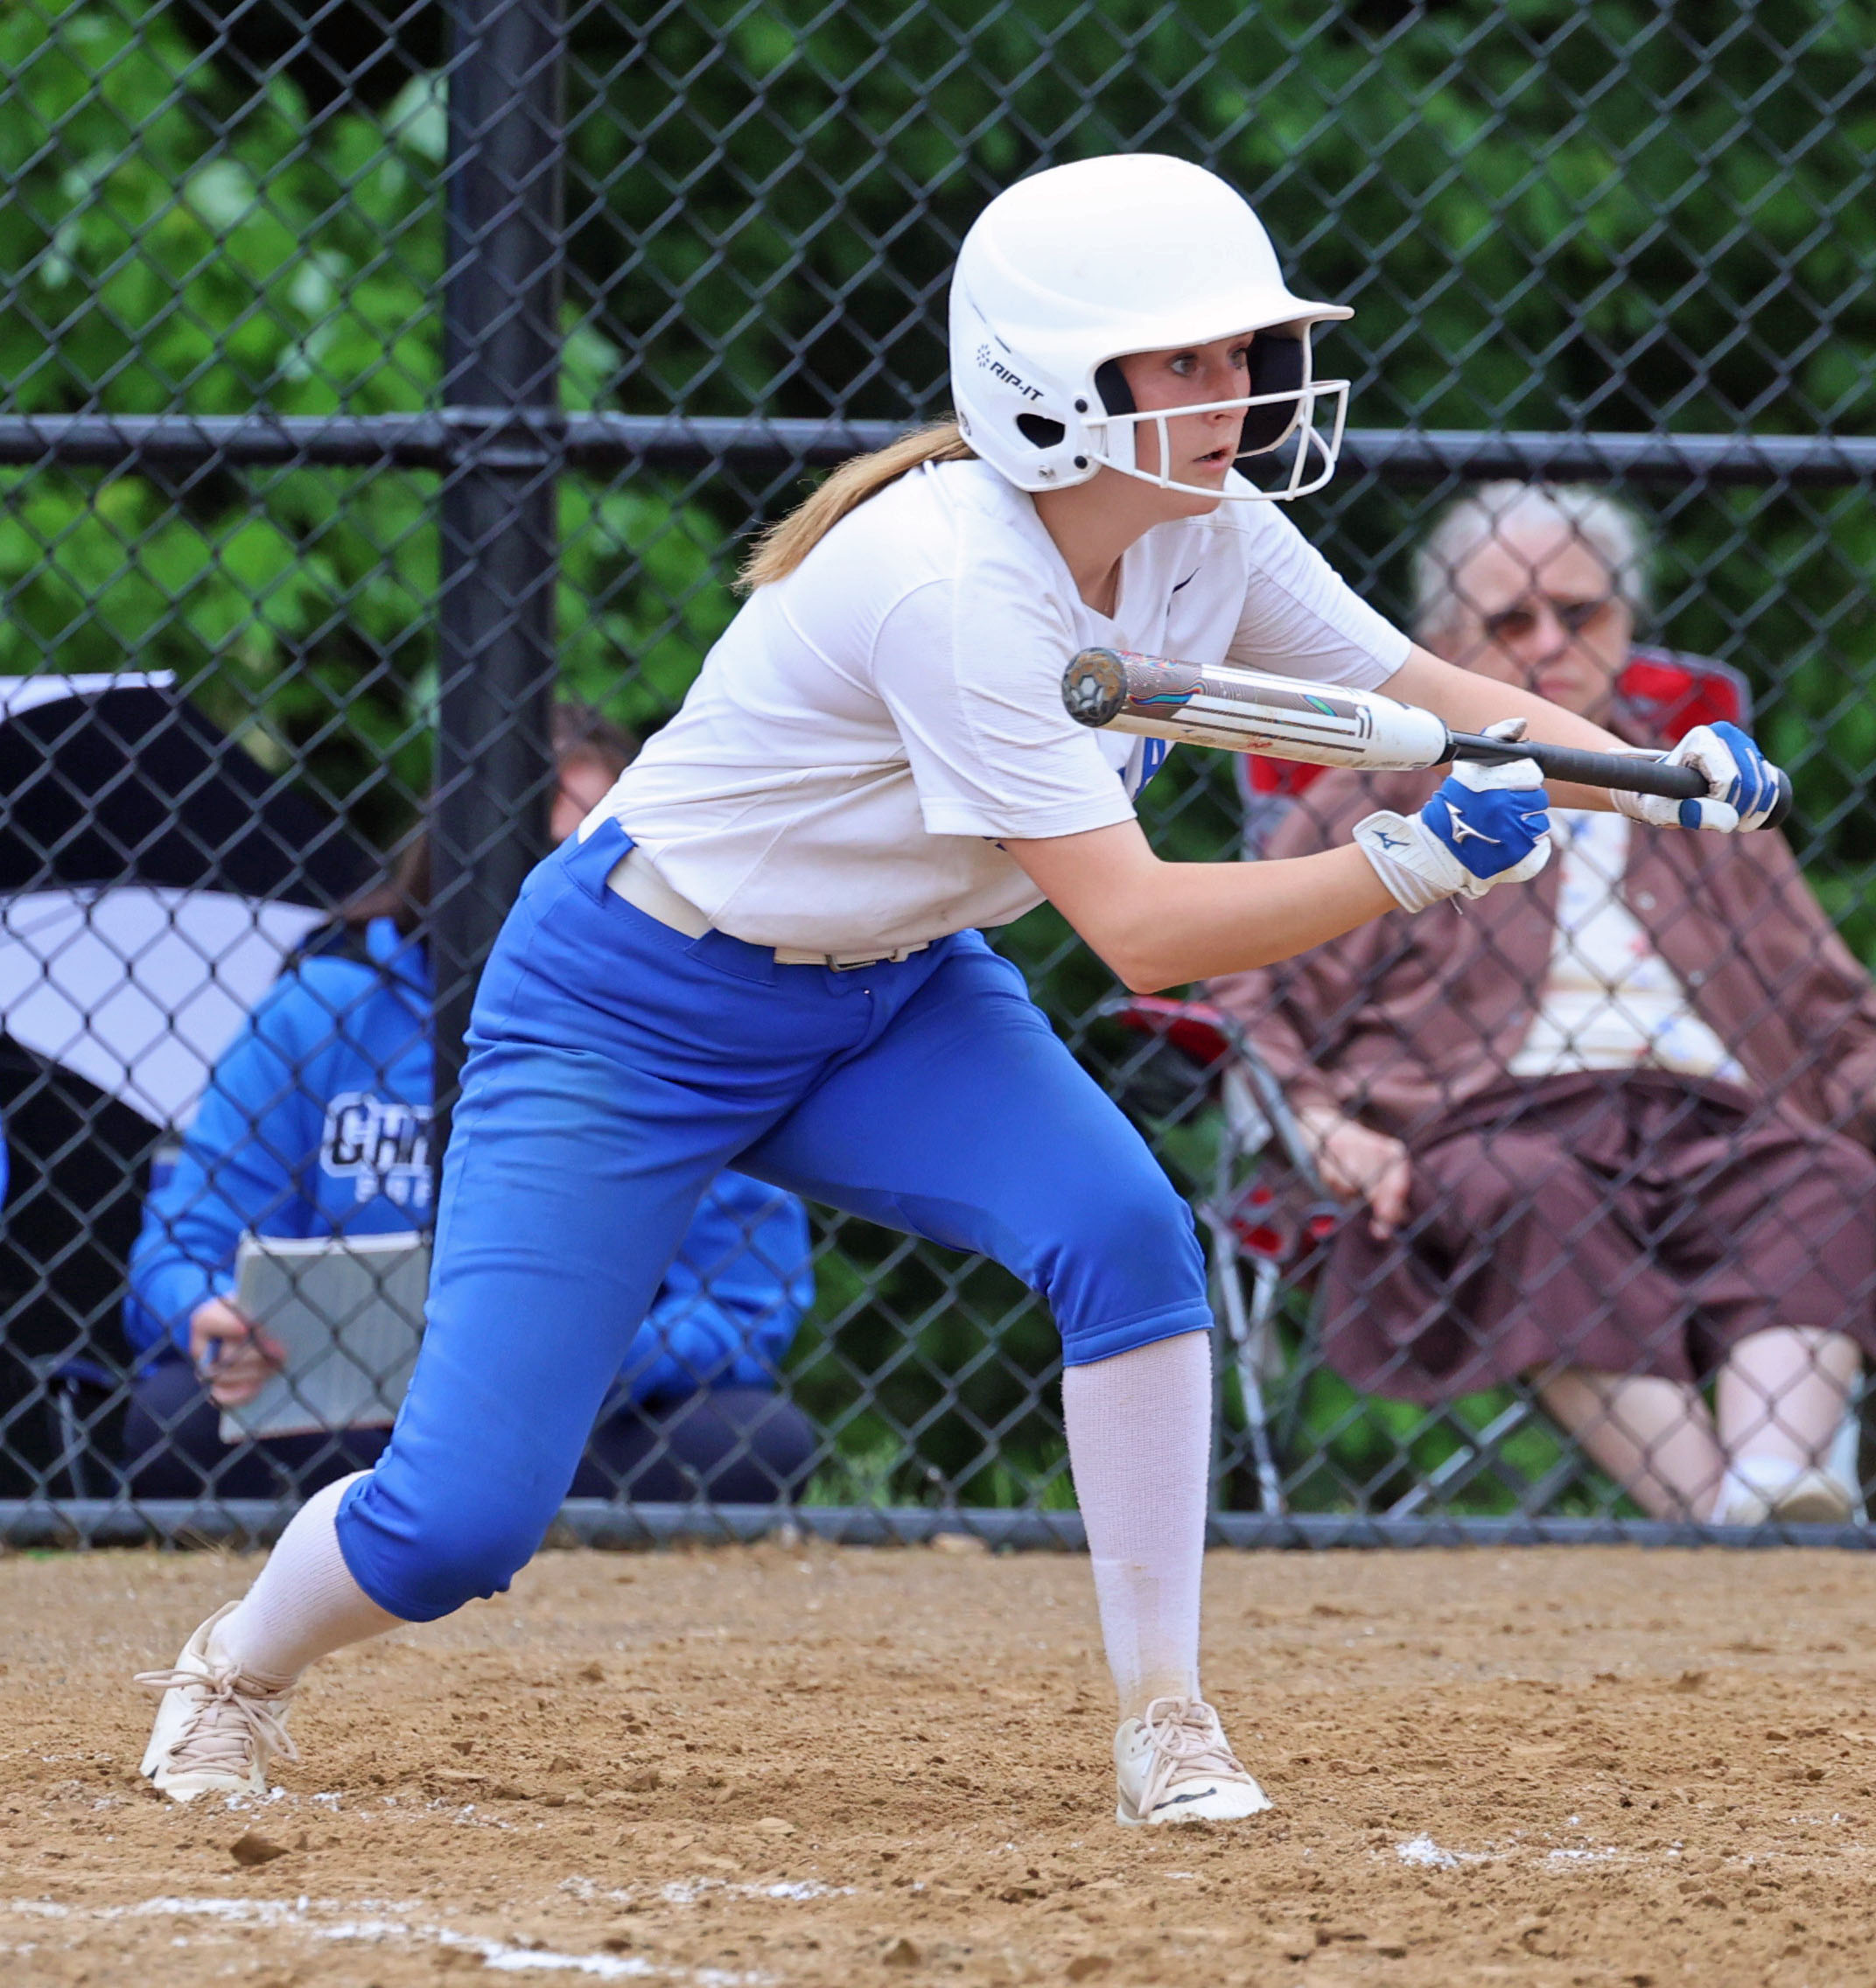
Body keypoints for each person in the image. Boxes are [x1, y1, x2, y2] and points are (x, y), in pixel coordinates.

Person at [135, 157, 1782, 1827]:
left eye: (1241, 356)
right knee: (461, 1523)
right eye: (1188, 360)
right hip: (625, 1006)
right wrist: (1406, 865)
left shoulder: (1209, 536)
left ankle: (1166, 1718)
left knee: (1124, 1231)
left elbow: (1448, 701)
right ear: (1055, 385)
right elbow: (1136, 929)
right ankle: (233, 1667)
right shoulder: (949, 581)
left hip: (892, 993)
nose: (1237, 392)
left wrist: (1657, 774)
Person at [1209, 483, 1875, 1525]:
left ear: (1624, 627)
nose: (1550, 639)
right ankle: (1733, 1528)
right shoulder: (1371, 798)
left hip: (1722, 1120)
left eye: (1582, 611)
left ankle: (1770, 1486)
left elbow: (1836, 1011)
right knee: (1533, 1196)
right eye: (1509, 619)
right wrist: (1317, 1121)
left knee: (1831, 1183)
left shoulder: (1700, 795)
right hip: (1482, 1122)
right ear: (1437, 642)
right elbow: (1246, 984)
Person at [121, 702, 816, 1504]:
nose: (557, 889)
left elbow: (747, 1299)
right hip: (339, 1416)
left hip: (570, 1419)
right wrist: (209, 1319)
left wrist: (606, 1356)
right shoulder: (319, 1011)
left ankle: (464, 1513)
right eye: (530, 854)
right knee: (171, 1418)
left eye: (588, 856)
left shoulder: (686, 1033)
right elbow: (175, 1254)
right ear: (451, 850)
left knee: (752, 1440)